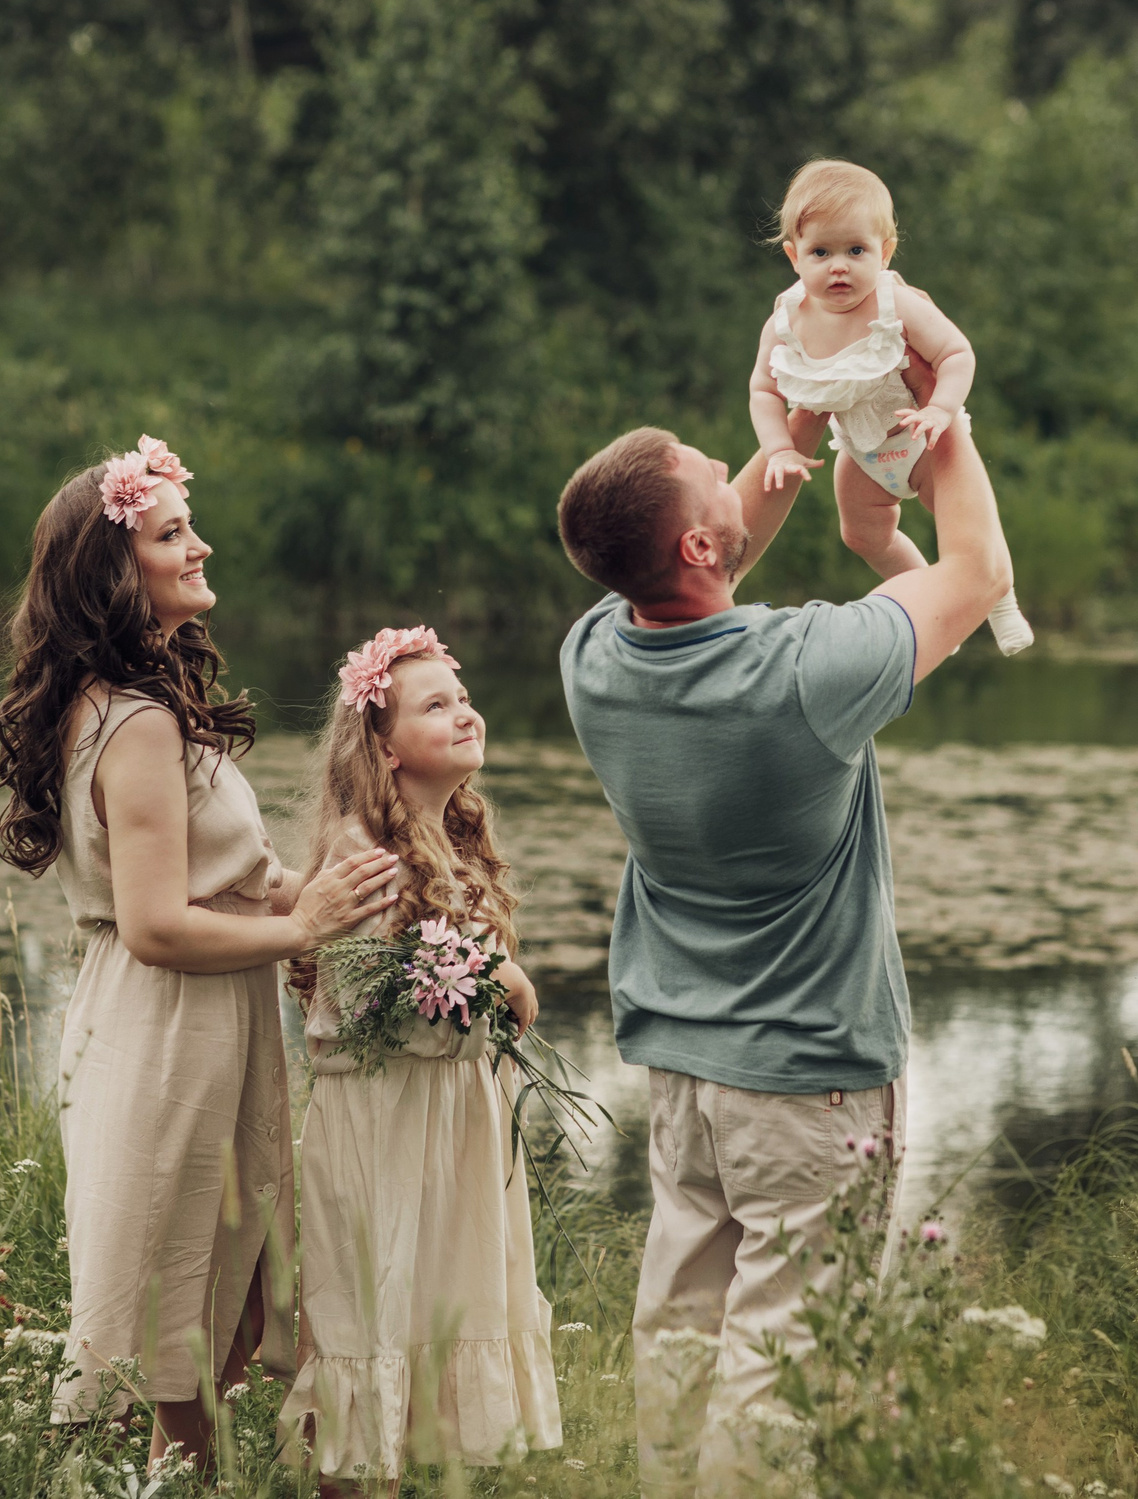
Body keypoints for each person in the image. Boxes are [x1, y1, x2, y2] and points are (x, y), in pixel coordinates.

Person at [557, 408, 1011, 1493]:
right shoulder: (809, 670)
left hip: (681, 1072)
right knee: (781, 1355)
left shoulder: (592, 656)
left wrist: (804, 412)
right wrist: (931, 421)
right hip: (806, 1084)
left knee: (680, 1331)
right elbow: (979, 568)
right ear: (698, 549)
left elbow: (712, 553)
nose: (733, 466)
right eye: (711, 471)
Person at [0, 437, 397, 1471]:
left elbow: (218, 881)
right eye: (173, 534)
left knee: (220, 1296)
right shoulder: (130, 722)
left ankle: (190, 1482)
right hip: (163, 1021)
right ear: (115, 571)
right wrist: (299, 930)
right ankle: (112, 1482)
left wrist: (322, 896)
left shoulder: (151, 701)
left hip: (216, 1015)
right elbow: (155, 925)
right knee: (155, 1307)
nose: (200, 545)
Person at [278, 625, 561, 1498]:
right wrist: (495, 977)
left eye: (462, 694)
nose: (464, 710)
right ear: (385, 747)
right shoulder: (368, 856)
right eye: (435, 705)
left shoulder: (450, 843)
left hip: (452, 1126)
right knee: (377, 1315)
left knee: (432, 1319)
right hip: (388, 1126)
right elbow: (368, 1005)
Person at [749, 158, 1033, 655]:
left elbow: (956, 353)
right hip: (860, 451)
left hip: (920, 436)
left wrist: (940, 410)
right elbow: (764, 390)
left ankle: (1001, 604)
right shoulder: (786, 321)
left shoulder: (895, 305)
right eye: (821, 251)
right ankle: (933, 603)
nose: (839, 265)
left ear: (885, 252)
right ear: (795, 256)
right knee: (861, 534)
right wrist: (778, 449)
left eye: (856, 250)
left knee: (967, 529)